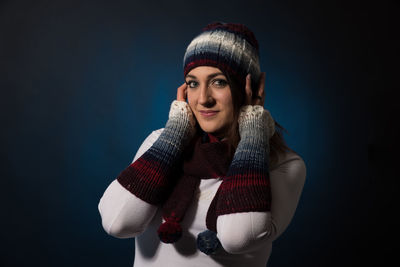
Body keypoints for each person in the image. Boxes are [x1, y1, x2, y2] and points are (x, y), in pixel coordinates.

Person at [98, 22, 306, 267]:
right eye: (193, 83)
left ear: (249, 89)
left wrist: (252, 132)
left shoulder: (283, 164)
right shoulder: (159, 142)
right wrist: (176, 133)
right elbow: (118, 222)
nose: (203, 99)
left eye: (219, 82)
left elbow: (239, 237)